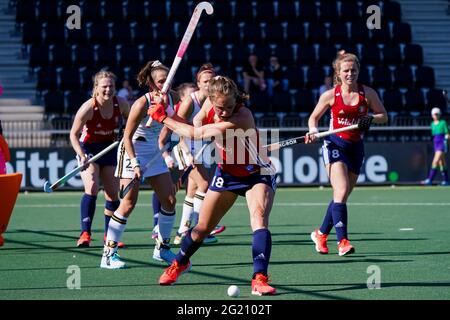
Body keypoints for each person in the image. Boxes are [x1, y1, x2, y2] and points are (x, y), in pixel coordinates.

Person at [148, 75, 278, 296]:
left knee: (258, 218)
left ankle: (259, 278)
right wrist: (168, 111)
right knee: (200, 229)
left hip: (256, 173)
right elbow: (196, 123)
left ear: (235, 100)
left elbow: (196, 133)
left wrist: (162, 118)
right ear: (210, 99)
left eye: (228, 106)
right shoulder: (209, 103)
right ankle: (180, 263)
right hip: (227, 172)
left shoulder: (242, 116)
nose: (224, 111)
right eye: (220, 107)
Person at [305, 51, 388, 256]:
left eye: (353, 70)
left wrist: (370, 118)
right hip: (334, 145)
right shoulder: (330, 95)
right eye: (346, 70)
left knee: (340, 197)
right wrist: (314, 132)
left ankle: (321, 233)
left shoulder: (367, 93)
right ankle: (342, 241)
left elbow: (383, 116)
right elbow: (313, 119)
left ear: (358, 71)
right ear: (338, 73)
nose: (350, 73)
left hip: (356, 147)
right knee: (340, 191)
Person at [101, 60, 180, 269]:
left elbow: (180, 123)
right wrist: (135, 163)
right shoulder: (141, 104)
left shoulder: (174, 97)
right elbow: (126, 137)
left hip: (154, 150)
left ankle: (162, 249)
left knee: (170, 200)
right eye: (162, 81)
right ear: (152, 84)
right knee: (128, 203)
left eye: (168, 80)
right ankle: (108, 254)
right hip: (132, 150)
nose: (167, 85)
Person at [69, 71, 130, 248]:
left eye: (111, 86)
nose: (108, 90)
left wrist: (126, 130)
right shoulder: (88, 107)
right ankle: (85, 233)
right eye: (104, 86)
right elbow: (73, 134)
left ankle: (109, 235)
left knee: (112, 193)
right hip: (89, 150)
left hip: (109, 149)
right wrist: (81, 155)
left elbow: (133, 120)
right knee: (93, 186)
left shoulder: (121, 103)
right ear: (96, 88)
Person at [171, 63, 226, 245]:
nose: (209, 83)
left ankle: (182, 232)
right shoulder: (189, 101)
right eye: (205, 81)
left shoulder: (213, 100)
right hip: (184, 147)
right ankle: (201, 230)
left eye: (212, 80)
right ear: (199, 83)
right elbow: (177, 128)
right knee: (204, 184)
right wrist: (187, 153)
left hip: (200, 147)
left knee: (192, 190)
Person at [421, 107, 449, 186]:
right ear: (432, 115)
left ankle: (430, 179)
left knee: (435, 161)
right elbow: (434, 135)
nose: (436, 116)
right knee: (441, 163)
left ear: (439, 114)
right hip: (436, 144)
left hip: (442, 144)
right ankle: (446, 181)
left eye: (437, 114)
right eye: (434, 114)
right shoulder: (432, 124)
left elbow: (447, 133)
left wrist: (446, 139)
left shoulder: (443, 123)